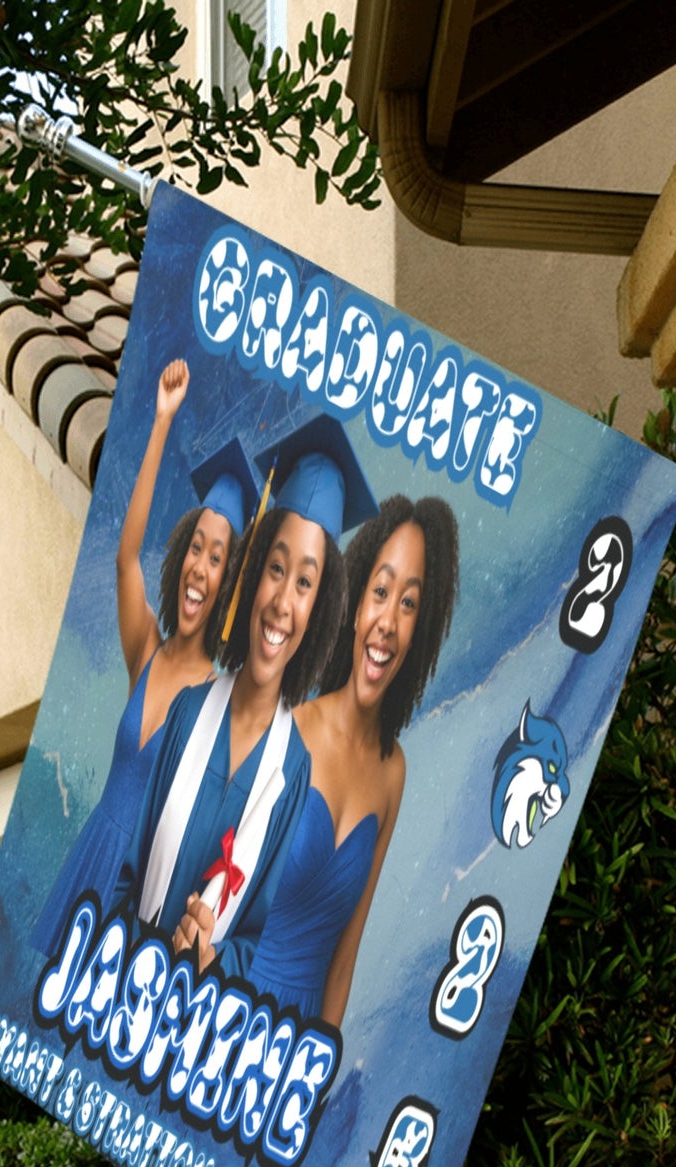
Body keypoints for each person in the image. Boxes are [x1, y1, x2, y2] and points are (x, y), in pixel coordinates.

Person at [119, 413, 378, 981]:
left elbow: (256, 939)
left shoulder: (293, 775)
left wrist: (212, 957)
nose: (283, 601)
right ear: (253, 572)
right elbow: (127, 868)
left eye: (305, 583)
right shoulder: (187, 712)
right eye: (276, 569)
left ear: (320, 607)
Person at [27, 360, 258, 956]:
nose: (199, 568)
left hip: (142, 898)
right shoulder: (146, 651)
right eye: (195, 549)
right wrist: (161, 421)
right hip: (91, 859)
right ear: (181, 553)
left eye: (216, 558)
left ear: (227, 583)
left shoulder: (218, 699)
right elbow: (126, 557)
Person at [244, 493, 460, 1026]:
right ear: (356, 607)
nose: (388, 621)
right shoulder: (287, 730)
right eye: (381, 592)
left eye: (408, 603)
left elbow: (345, 958)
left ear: (422, 629)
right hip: (227, 1008)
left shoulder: (393, 773)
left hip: (299, 1045)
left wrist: (314, 1079)